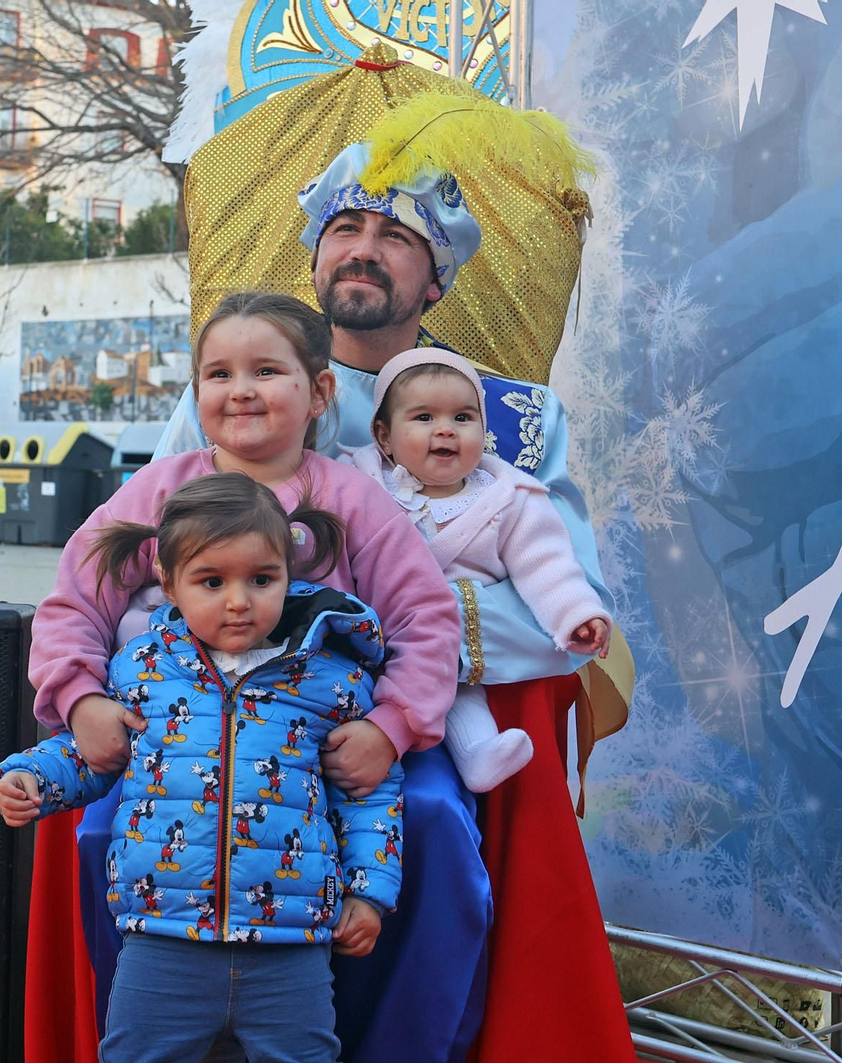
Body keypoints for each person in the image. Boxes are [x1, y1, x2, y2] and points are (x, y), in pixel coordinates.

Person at [145, 140, 635, 1063]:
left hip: (418, 726)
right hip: (232, 712)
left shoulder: (511, 416)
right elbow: (149, 553)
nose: (363, 249)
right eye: (345, 229)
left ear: (437, 276)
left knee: (441, 831)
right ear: (316, 255)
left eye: (395, 235)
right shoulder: (248, 386)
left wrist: (409, 648)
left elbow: (566, 607)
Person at [21, 291, 458, 1059]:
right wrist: (81, 698)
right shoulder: (158, 492)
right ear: (196, 393)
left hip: (316, 748)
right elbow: (72, 600)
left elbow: (428, 622)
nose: (241, 389)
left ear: (321, 391)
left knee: (435, 823)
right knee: (91, 834)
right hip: (177, 740)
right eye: (219, 373)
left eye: (266, 369)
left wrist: (389, 728)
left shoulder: (350, 499)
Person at [0, 472, 403, 1063]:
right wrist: (30, 777)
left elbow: (369, 796)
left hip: (290, 943)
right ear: (168, 583)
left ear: (290, 576)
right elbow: (91, 754)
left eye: (262, 579)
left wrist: (368, 896)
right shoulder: (141, 670)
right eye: (212, 581)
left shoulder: (331, 680)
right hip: (162, 936)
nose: (239, 601)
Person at [344, 348, 612, 791]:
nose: (446, 429)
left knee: (455, 688)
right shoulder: (359, 484)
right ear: (384, 436)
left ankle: (476, 754)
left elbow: (547, 566)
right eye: (424, 418)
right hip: (372, 636)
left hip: (448, 650)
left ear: (483, 430)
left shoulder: (510, 498)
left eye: (463, 418)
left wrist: (576, 616)